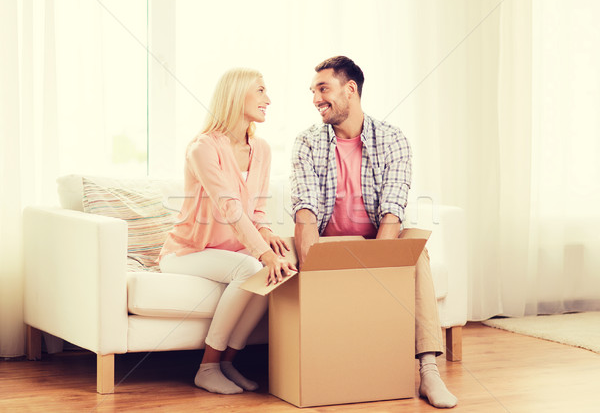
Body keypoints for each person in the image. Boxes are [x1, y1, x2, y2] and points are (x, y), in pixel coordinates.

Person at [291, 56, 458, 409]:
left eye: (323, 89)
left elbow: (393, 212)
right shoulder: (307, 142)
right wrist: (312, 261)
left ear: (350, 89)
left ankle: (428, 371)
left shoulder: (393, 139)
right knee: (287, 251)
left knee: (418, 252)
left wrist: (379, 267)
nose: (316, 99)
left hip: (375, 240)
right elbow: (304, 209)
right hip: (328, 243)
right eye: (313, 91)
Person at [159, 68, 296, 395]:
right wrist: (261, 252)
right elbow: (230, 207)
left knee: (275, 271)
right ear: (237, 95)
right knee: (252, 266)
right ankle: (207, 367)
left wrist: (266, 234)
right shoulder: (202, 148)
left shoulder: (261, 149)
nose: (268, 99)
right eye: (261, 91)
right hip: (185, 252)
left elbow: (256, 208)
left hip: (231, 249)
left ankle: (228, 363)